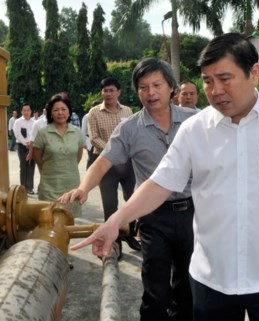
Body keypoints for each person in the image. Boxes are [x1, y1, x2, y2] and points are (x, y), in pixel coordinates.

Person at [70, 33, 259, 321]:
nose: (214, 90)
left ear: (253, 72)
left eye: (224, 78)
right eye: (207, 80)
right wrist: (115, 221)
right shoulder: (195, 128)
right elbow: (159, 182)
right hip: (212, 279)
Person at [60, 58, 197, 320]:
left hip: (194, 212)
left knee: (188, 282)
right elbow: (102, 162)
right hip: (153, 216)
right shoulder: (130, 128)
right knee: (156, 286)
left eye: (157, 84)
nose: (150, 92)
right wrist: (83, 188)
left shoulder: (195, 120)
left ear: (171, 87)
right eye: (143, 87)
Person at [88, 77, 140, 252]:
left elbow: (133, 134)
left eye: (111, 90)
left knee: (132, 201)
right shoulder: (94, 112)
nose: (108, 94)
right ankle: (113, 242)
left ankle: (130, 235)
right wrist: (113, 153)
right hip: (105, 166)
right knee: (109, 205)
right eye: (105, 90)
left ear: (119, 92)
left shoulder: (128, 111)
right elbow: (94, 138)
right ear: (101, 92)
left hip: (127, 165)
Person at [33, 94, 85, 216]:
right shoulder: (43, 133)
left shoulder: (77, 132)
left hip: (72, 185)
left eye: (63, 109)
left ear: (69, 112)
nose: (60, 113)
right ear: (50, 113)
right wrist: (49, 170)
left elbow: (77, 157)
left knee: (69, 221)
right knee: (49, 221)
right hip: (49, 186)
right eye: (56, 110)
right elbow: (38, 158)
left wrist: (66, 167)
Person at [13, 104, 36, 195]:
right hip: (22, 146)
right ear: (22, 112)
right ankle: (23, 188)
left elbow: (35, 134)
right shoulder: (18, 122)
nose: (26, 112)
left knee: (31, 166)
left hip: (32, 146)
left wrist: (31, 144)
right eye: (24, 110)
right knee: (23, 166)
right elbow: (17, 133)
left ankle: (30, 187)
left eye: (28, 110)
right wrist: (25, 143)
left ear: (31, 111)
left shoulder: (34, 122)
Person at [82, 100, 102, 169]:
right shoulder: (87, 116)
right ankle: (88, 174)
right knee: (91, 158)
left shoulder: (102, 115)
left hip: (100, 139)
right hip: (89, 139)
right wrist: (83, 142)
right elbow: (83, 129)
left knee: (100, 159)